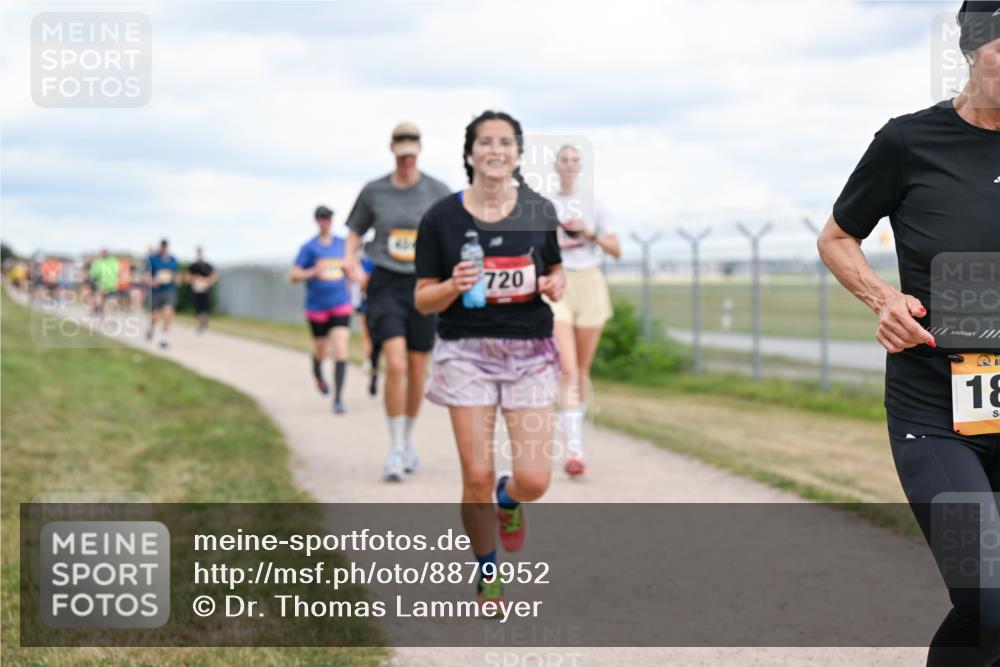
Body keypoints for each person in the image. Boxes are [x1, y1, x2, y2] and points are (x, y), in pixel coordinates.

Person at [818, 4, 999, 665]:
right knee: (989, 590)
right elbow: (838, 237)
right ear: (973, 50)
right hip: (936, 408)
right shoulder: (908, 142)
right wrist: (883, 298)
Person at [414, 110, 565, 610]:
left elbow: (556, 273)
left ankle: (510, 499)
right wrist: (450, 286)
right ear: (470, 152)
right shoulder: (441, 218)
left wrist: (552, 284)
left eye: (505, 142)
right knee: (474, 475)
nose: (495, 150)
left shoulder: (539, 210)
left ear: (518, 154)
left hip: (529, 352)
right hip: (466, 352)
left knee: (536, 481)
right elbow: (422, 300)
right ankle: (488, 573)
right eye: (485, 142)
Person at [343, 122, 450, 480]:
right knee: (396, 363)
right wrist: (350, 262)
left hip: (424, 283)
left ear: (419, 151)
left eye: (412, 155)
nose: (406, 160)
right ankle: (394, 446)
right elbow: (354, 232)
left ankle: (407, 438)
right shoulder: (374, 191)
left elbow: (452, 233)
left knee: (419, 369)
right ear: (392, 150)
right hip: (385, 283)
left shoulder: (437, 191)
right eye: (401, 154)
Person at [546, 145, 621, 478]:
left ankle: (574, 427)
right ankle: (574, 451)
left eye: (576, 160)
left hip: (590, 281)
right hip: (558, 283)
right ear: (556, 165)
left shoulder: (596, 204)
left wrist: (587, 233)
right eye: (565, 159)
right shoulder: (545, 205)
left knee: (582, 371)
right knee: (567, 366)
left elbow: (616, 248)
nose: (570, 165)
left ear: (582, 166)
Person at [292, 206, 353, 414]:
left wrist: (350, 271)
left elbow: (354, 268)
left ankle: (338, 399)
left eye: (329, 218)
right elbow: (294, 275)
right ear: (317, 221)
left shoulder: (342, 244)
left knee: (340, 349)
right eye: (322, 218)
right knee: (321, 349)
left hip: (341, 303)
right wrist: (312, 272)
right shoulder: (309, 247)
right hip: (317, 307)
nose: (326, 221)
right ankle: (318, 372)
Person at [356, 255, 381, 397]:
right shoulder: (366, 261)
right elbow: (361, 284)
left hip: (389, 306)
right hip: (369, 305)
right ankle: (371, 369)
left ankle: (374, 371)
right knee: (370, 339)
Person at [146, 239, 179, 349]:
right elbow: (146, 275)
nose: (164, 248)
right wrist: (152, 281)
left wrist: (176, 279)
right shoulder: (152, 259)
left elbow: (176, 274)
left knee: (167, 312)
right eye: (162, 246)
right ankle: (151, 327)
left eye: (165, 246)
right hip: (156, 291)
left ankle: (163, 338)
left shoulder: (173, 260)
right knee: (154, 316)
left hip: (168, 290)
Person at [185, 247, 218, 334]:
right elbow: (187, 278)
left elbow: (214, 276)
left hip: (205, 291)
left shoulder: (208, 266)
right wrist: (194, 278)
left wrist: (207, 281)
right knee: (197, 308)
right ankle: (199, 325)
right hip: (196, 290)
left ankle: (203, 321)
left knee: (204, 308)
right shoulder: (193, 266)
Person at [89, 249, 119, 318]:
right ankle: (105, 316)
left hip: (108, 285)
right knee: (104, 301)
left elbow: (94, 274)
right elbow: (94, 274)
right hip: (107, 285)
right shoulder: (113, 261)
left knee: (107, 302)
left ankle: (107, 316)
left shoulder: (100, 262)